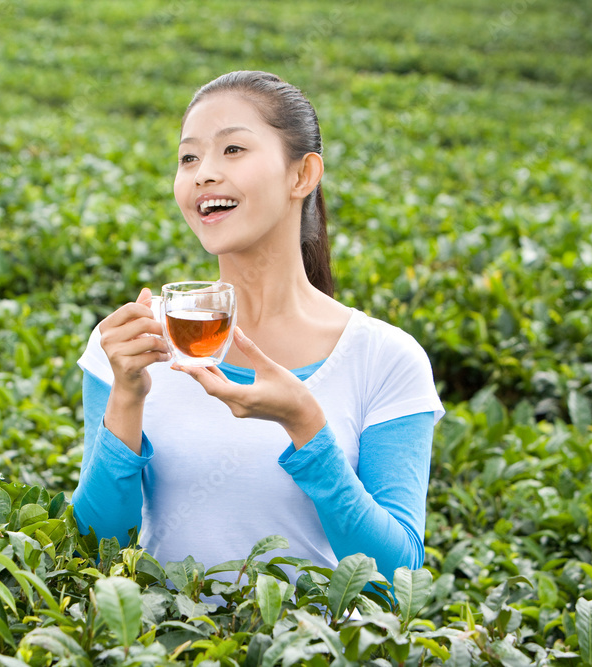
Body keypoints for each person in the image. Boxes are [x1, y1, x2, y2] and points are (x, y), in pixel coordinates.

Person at [71, 71, 444, 594]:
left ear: (302, 175)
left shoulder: (385, 358)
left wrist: (307, 425)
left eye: (233, 150)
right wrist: (128, 397)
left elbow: (397, 577)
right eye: (189, 158)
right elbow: (96, 547)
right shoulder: (131, 344)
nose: (204, 174)